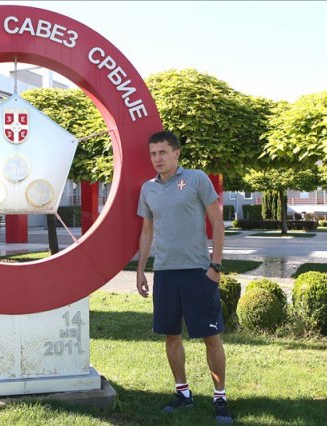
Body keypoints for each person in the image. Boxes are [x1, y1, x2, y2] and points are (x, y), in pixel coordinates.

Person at [136, 130, 232, 424]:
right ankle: (183, 393)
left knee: (210, 336)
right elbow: (147, 232)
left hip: (198, 272)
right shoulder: (148, 189)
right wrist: (141, 269)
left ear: (176, 153)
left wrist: (215, 266)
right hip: (165, 273)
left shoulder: (196, 179)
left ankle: (220, 397)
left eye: (163, 152)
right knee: (171, 334)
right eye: (153, 154)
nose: (157, 159)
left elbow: (217, 222)